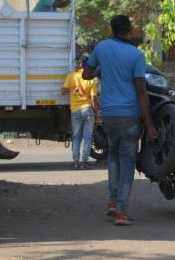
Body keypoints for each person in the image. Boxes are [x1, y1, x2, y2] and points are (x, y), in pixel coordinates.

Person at [82, 15, 156, 226]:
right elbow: (141, 92)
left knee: (113, 157)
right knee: (127, 162)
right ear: (130, 30)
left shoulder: (102, 47)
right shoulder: (136, 55)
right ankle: (122, 211)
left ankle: (113, 203)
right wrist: (149, 124)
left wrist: (98, 67)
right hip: (129, 115)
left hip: (109, 115)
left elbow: (87, 74)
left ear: (112, 30)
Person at [62, 53, 98, 170]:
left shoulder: (71, 76)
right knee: (87, 137)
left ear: (80, 64)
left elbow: (63, 91)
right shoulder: (90, 79)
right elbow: (93, 98)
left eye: (77, 62)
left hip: (75, 111)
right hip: (88, 110)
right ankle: (84, 163)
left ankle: (76, 162)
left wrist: (71, 88)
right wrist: (96, 113)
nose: (76, 64)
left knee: (76, 137)